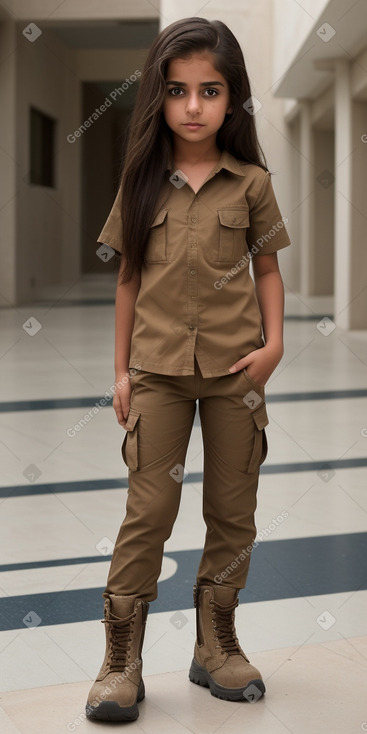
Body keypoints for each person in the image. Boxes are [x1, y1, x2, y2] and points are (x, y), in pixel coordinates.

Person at [86, 16, 291, 722]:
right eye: (178, 91)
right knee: (149, 512)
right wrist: (121, 372)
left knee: (233, 511)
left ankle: (215, 646)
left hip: (237, 372)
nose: (194, 105)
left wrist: (274, 344)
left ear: (231, 100)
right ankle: (120, 660)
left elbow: (267, 271)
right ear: (159, 98)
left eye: (210, 90)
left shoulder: (252, 183)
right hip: (159, 374)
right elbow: (127, 282)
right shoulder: (141, 182)